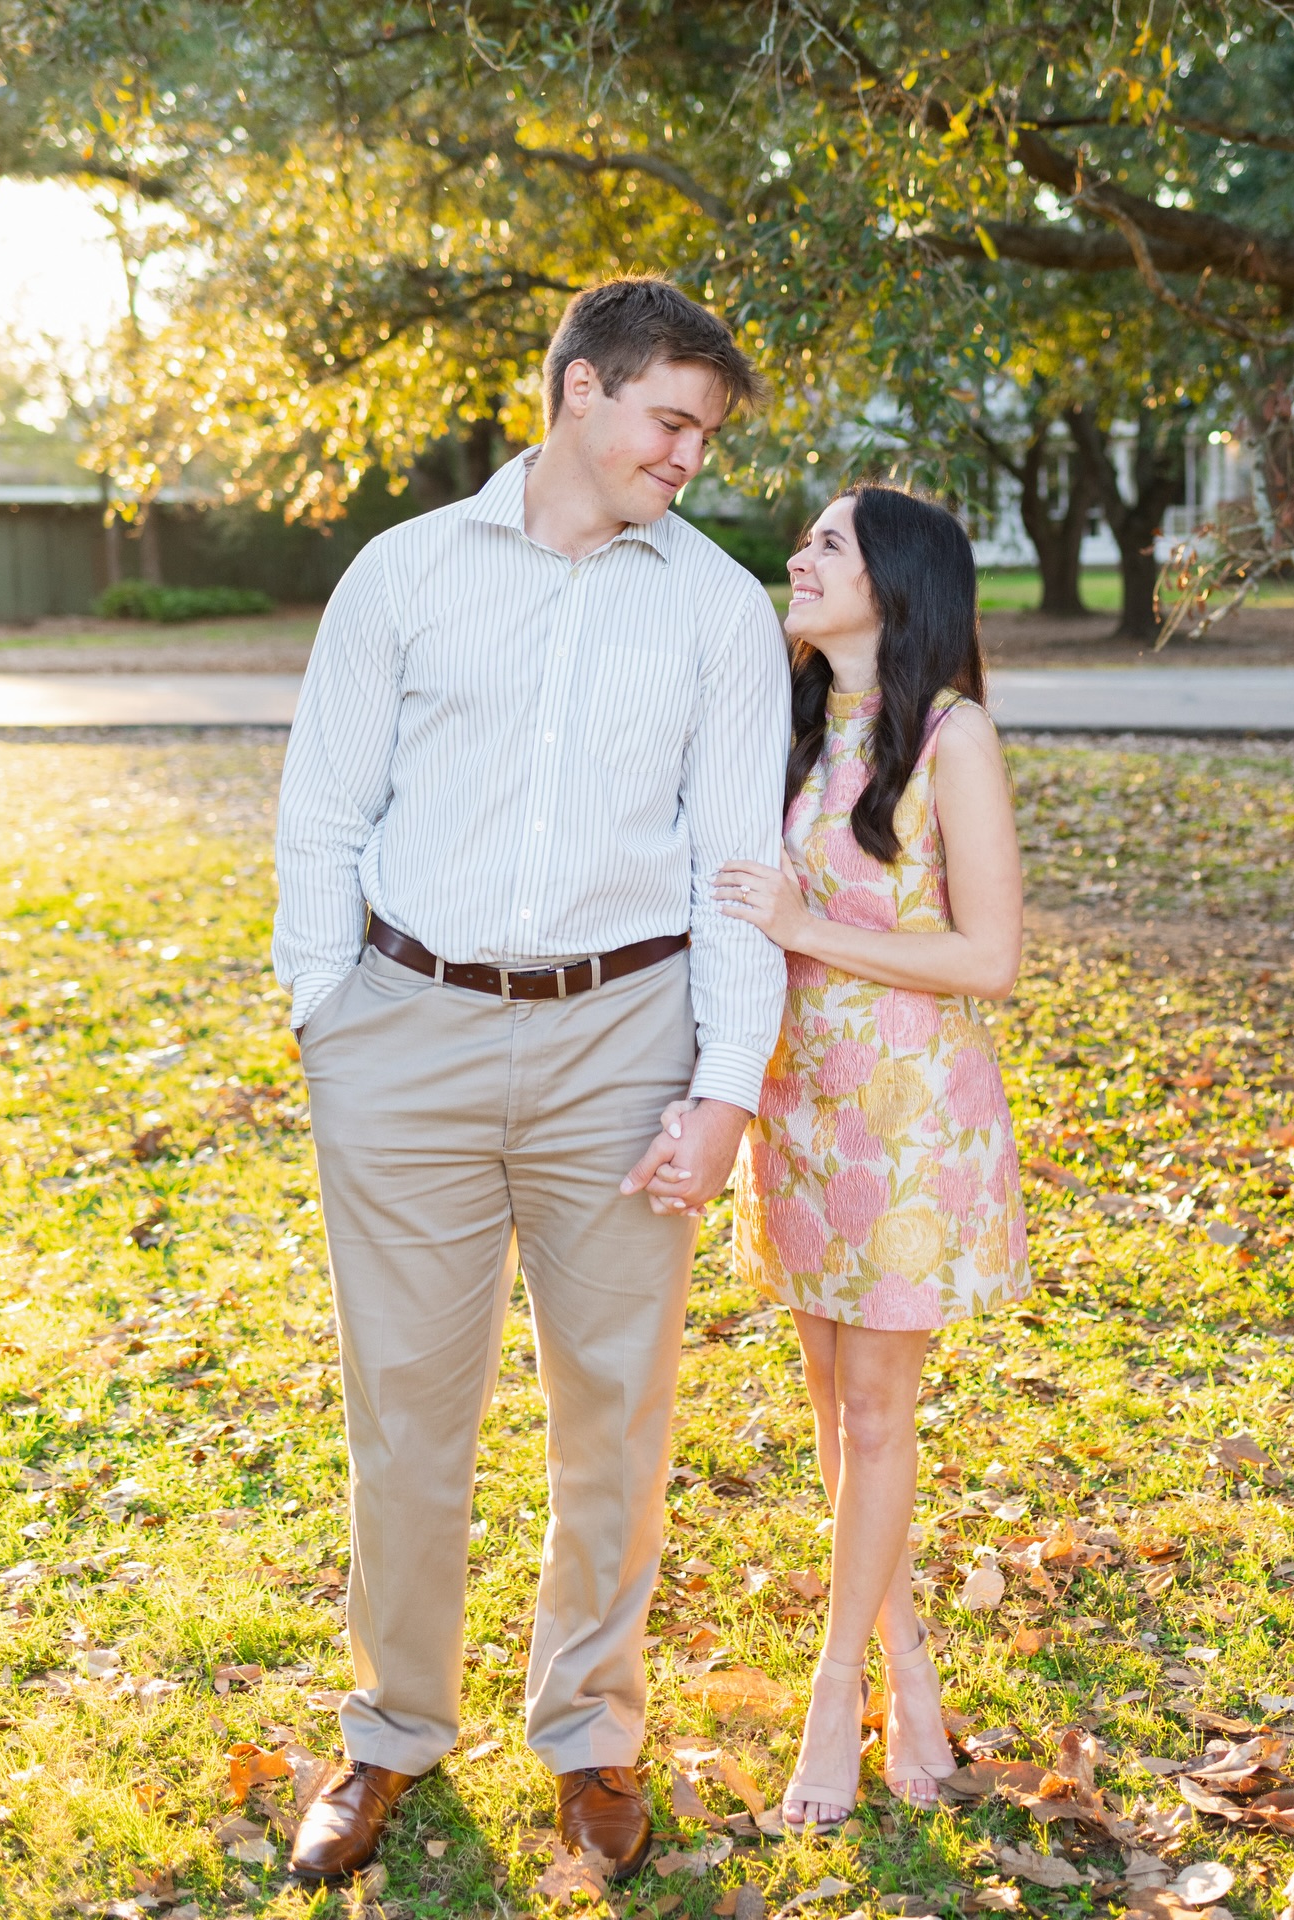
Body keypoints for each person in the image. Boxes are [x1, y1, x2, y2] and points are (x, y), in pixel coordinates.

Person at [272, 276, 790, 1882]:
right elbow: (322, 810)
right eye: (669, 419)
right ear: (576, 388)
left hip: (623, 1043)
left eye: (706, 433)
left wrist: (724, 1087)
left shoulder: (717, 610)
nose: (689, 455)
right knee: (407, 1411)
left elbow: (736, 871)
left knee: (616, 1416)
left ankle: (590, 1738)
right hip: (405, 1032)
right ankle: (389, 1736)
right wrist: (325, 1014)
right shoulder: (406, 574)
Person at [665, 485, 1029, 1831]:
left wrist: (809, 922)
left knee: (875, 1419)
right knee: (834, 1418)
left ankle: (839, 1704)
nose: (799, 558)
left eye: (829, 542)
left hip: (912, 1123)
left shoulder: (953, 736)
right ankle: (912, 1670)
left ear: (899, 578)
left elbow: (986, 957)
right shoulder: (796, 731)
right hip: (800, 1114)